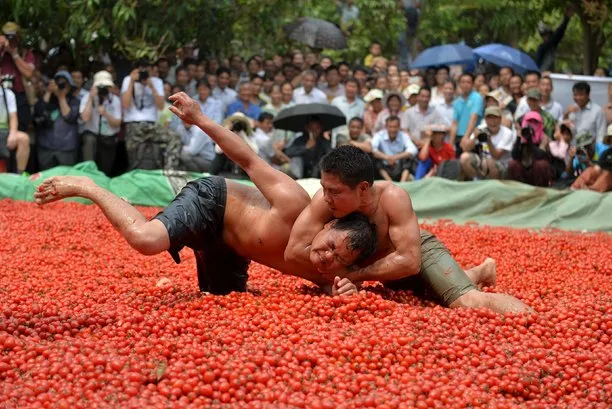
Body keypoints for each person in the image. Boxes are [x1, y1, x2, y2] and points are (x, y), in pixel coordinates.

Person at [35, 92, 377, 296]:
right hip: (214, 202)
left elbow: (341, 283)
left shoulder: (325, 268)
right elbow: (246, 157)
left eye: (336, 259)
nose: (326, 257)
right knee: (145, 239)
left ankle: (132, 212)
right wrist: (200, 119)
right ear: (327, 225)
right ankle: (91, 188)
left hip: (228, 248)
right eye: (329, 246)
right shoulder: (293, 203)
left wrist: (346, 288)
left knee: (221, 299)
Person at [284, 145, 531, 314]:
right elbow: (294, 251)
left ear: (362, 189)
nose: (325, 197)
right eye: (324, 188)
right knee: (430, 293)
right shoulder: (325, 200)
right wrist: (336, 277)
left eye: (334, 191)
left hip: (417, 253)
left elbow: (410, 261)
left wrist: (356, 276)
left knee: (464, 301)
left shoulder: (392, 198)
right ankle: (480, 271)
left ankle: (532, 318)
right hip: (383, 272)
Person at [121, 59, 178, 170]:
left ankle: (169, 171)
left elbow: (161, 106)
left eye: (146, 70)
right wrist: (132, 83)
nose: (143, 73)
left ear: (152, 70)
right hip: (133, 125)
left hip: (151, 126)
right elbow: (125, 105)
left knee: (174, 138)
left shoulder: (156, 82)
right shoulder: (128, 80)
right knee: (132, 154)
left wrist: (151, 86)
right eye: (141, 70)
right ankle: (132, 174)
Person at [571, 122, 612, 195]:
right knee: (590, 171)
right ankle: (574, 188)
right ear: (610, 139)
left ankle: (592, 192)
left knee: (609, 175)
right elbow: (596, 169)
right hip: (611, 184)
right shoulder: (608, 152)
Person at [169, 79, 221, 172]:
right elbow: (176, 143)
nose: (202, 92)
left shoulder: (199, 130)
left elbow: (191, 151)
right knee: (179, 155)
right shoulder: (181, 127)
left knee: (184, 157)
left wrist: (181, 150)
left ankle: (200, 176)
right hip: (195, 154)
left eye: (205, 89)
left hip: (207, 159)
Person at [32, 71, 80, 170]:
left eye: (64, 84)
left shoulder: (75, 101)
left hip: (67, 149)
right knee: (45, 181)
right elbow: (38, 111)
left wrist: (61, 97)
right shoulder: (47, 98)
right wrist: (49, 92)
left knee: (64, 181)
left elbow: (69, 117)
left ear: (70, 86)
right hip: (45, 147)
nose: (61, 86)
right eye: (59, 83)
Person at [79, 70, 122, 176]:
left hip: (108, 139)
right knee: (89, 140)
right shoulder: (87, 97)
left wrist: (106, 114)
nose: (103, 90)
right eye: (101, 87)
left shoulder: (115, 100)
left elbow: (117, 123)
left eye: (106, 87)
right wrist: (90, 98)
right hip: (92, 135)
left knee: (105, 170)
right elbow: (84, 118)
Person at [460, 106, 516, 181]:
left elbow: (497, 156)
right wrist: (474, 137)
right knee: (464, 157)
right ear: (486, 120)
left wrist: (488, 140)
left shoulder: (507, 133)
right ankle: (476, 181)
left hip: (502, 165)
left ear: (500, 119)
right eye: (490, 118)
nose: (492, 122)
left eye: (495, 118)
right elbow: (466, 148)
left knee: (489, 161)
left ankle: (494, 187)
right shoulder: (481, 128)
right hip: (483, 161)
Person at [0, 22, 35, 132]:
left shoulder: (26, 54)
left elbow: (29, 73)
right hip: (2, 96)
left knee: (19, 130)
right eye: (7, 36)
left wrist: (14, 54)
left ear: (18, 37)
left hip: (19, 97)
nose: (10, 39)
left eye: (12, 36)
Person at [507, 111, 553, 187]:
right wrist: (519, 139)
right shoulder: (521, 134)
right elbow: (514, 156)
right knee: (513, 164)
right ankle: (517, 189)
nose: (532, 124)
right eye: (529, 121)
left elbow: (540, 155)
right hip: (523, 170)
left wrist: (530, 141)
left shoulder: (544, 137)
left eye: (535, 122)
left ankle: (540, 190)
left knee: (541, 165)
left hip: (537, 173)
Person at [371, 115, 417, 182]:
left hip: (398, 166)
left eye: (395, 127)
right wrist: (387, 158)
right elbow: (372, 149)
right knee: (373, 158)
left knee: (409, 157)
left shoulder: (403, 135)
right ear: (386, 127)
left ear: (399, 127)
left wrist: (395, 157)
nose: (392, 129)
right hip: (384, 168)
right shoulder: (379, 135)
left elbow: (413, 150)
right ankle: (389, 181)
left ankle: (402, 182)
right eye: (390, 127)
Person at [450, 73, 484, 157]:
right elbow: (454, 123)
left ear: (472, 84)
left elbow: (473, 118)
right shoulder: (457, 102)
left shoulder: (477, 97)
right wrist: (450, 143)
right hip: (459, 137)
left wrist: (466, 137)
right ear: (459, 84)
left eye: (468, 82)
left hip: (472, 136)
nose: (465, 84)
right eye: (463, 82)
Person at [0, 81, 29, 173]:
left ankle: (19, 175)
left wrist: (12, 134)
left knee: (23, 138)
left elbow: (13, 116)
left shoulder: (8, 94)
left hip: (4, 131)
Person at [535, 7, 573, 72]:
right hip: (542, 75)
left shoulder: (551, 46)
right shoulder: (543, 47)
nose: (545, 37)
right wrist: (566, 19)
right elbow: (557, 36)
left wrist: (566, 19)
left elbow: (557, 36)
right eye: (543, 35)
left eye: (547, 35)